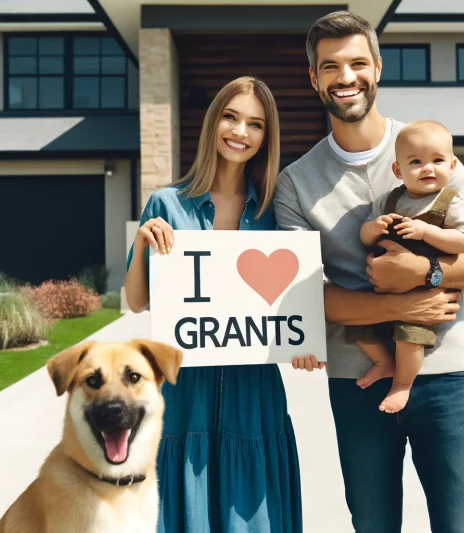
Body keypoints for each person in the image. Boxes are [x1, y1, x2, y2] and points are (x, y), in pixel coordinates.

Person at [277, 11, 464, 533]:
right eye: (330, 66)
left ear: (378, 68)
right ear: (314, 78)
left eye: (358, 62)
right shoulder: (294, 183)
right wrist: (397, 304)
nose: (346, 77)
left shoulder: (432, 150)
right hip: (356, 380)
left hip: (446, 375)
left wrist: (427, 275)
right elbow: (304, 295)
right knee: (374, 524)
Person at [124, 76, 302, 533]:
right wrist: (144, 241)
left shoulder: (273, 212)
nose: (240, 131)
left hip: (255, 389)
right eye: (231, 117)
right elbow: (137, 300)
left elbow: (290, 300)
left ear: (266, 137)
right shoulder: (166, 203)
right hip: (187, 390)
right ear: (213, 122)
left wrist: (302, 335)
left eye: (255, 124)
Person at [352, 120, 464, 413]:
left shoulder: (451, 201)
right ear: (398, 170)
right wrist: (374, 226)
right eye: (416, 162)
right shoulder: (389, 200)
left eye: (437, 160)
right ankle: (383, 362)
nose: (428, 168)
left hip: (424, 295)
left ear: (452, 166)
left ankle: (402, 385)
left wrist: (426, 232)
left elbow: (463, 241)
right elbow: (364, 235)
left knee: (410, 338)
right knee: (358, 328)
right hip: (384, 291)